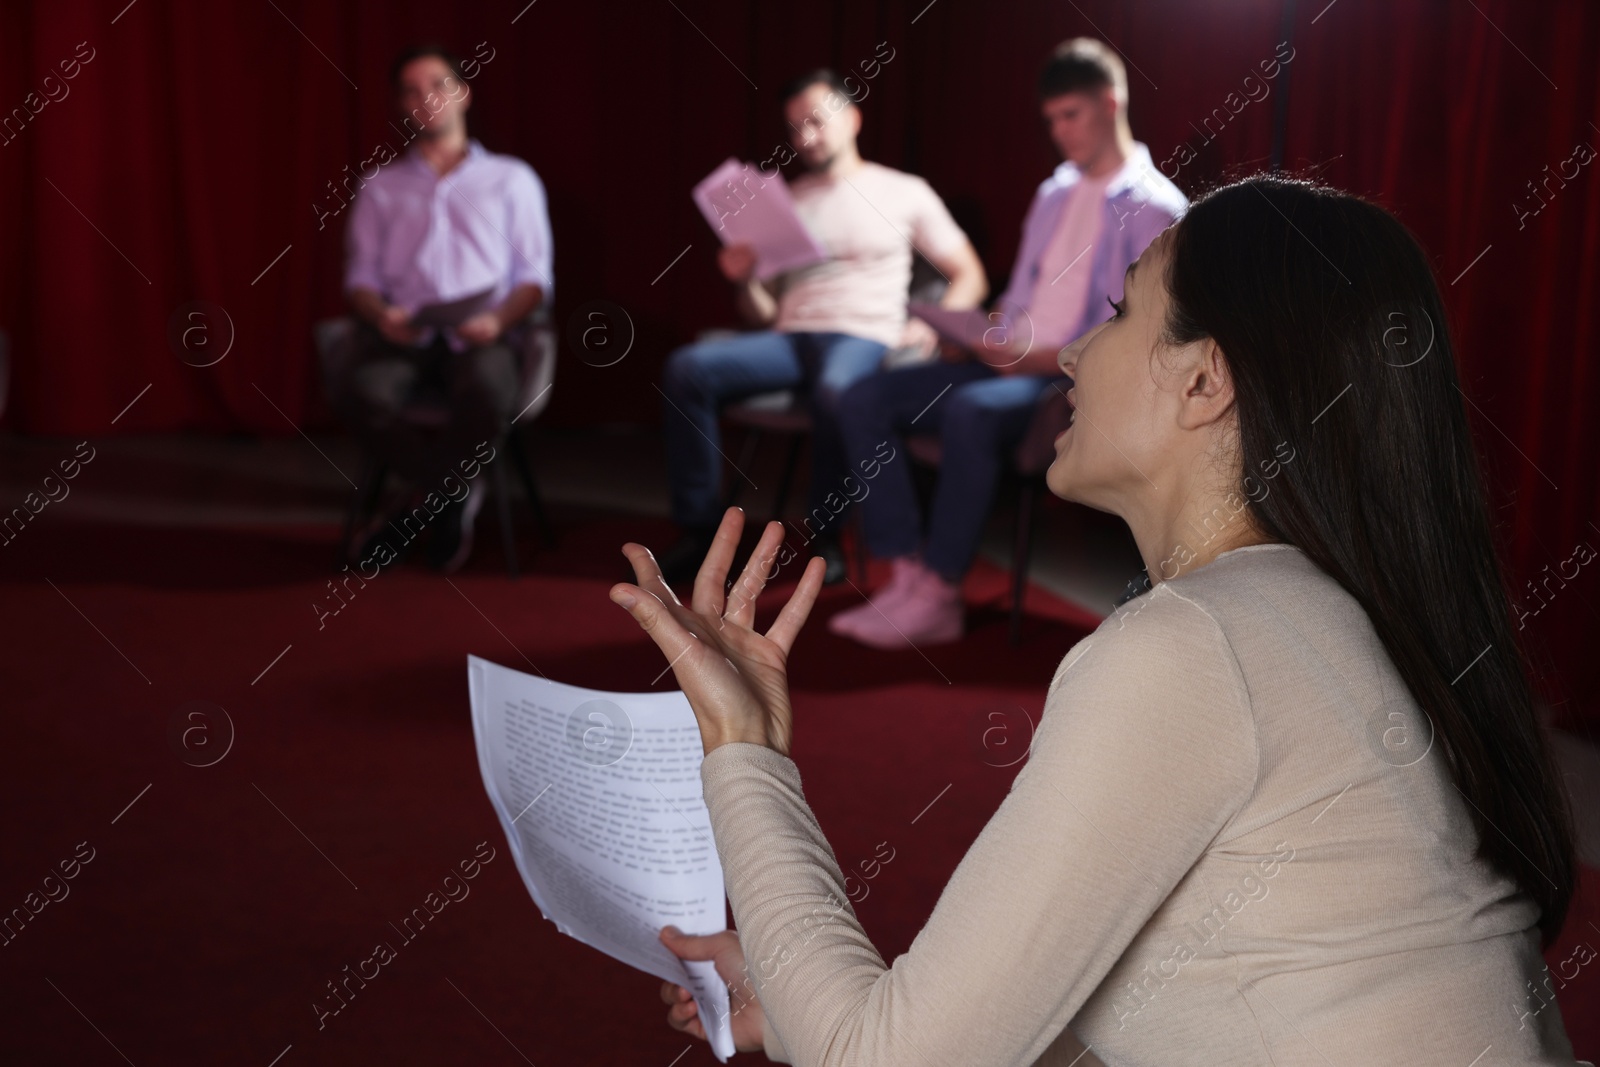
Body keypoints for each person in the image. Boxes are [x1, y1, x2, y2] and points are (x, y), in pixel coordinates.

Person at [611, 176, 1583, 1064]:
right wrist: (801, 998)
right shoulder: (1311, 610)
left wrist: (744, 746)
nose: (1074, 349)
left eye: (1119, 313)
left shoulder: (1193, 645)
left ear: (1204, 380)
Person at [830, 38, 1186, 648]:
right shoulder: (1052, 193)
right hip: (1008, 362)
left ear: (1111, 102)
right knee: (863, 396)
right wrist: (979, 331)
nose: (1060, 132)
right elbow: (1022, 293)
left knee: (970, 411)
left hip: (1067, 379)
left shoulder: (1156, 207)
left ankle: (940, 593)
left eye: (1071, 114)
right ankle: (907, 571)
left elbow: (1136, 333)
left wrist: (1039, 357)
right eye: (1051, 120)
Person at [655, 68, 988, 588]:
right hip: (790, 337)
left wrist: (932, 328)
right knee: (686, 369)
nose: (805, 138)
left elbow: (970, 274)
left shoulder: (903, 191)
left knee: (838, 388)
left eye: (815, 121)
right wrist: (745, 281)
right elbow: (763, 312)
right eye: (793, 128)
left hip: (862, 333)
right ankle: (700, 530)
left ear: (852, 118)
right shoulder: (787, 199)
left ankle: (826, 537)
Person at [335, 44, 553, 573]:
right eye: (411, 91)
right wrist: (380, 313)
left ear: (463, 93)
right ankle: (449, 495)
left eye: (436, 85)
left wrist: (498, 320)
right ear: (400, 106)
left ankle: (414, 505)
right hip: (402, 332)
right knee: (361, 393)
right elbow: (360, 279)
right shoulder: (379, 186)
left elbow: (534, 279)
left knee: (488, 391)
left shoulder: (512, 179)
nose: (425, 99)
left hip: (483, 330)